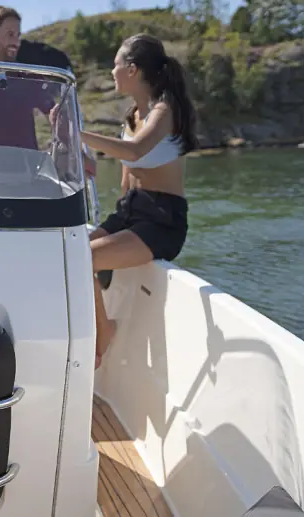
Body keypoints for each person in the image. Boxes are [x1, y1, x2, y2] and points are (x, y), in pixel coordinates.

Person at [80, 33, 198, 369]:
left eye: (115, 64)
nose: (112, 72)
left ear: (132, 69)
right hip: (131, 210)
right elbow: (127, 172)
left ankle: (104, 332)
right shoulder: (133, 114)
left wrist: (76, 132)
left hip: (162, 219)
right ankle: (92, 324)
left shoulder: (164, 110)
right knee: (70, 254)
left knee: (85, 259)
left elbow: (135, 151)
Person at [0, 5, 97, 173]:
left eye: (18, 35)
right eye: (10, 34)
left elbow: (57, 119)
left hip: (26, 178)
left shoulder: (28, 78)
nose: (16, 42)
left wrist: (80, 156)